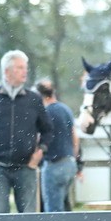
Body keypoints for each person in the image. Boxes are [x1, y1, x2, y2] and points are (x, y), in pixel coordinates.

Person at [0, 50, 53, 213]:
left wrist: (40, 152)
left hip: (27, 167)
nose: (25, 71)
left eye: (25, 68)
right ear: (7, 72)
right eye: (20, 68)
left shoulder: (34, 99)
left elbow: (48, 130)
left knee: (28, 218)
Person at [36, 80, 79, 212]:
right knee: (65, 206)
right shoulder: (65, 109)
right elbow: (75, 138)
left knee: (53, 209)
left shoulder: (45, 113)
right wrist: (73, 156)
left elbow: (38, 138)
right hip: (69, 163)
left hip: (53, 164)